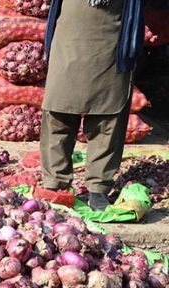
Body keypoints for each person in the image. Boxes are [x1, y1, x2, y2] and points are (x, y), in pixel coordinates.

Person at [38, 0, 144, 211]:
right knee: (59, 112)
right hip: (68, 41)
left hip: (111, 43)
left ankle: (98, 187)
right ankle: (55, 182)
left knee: (108, 117)